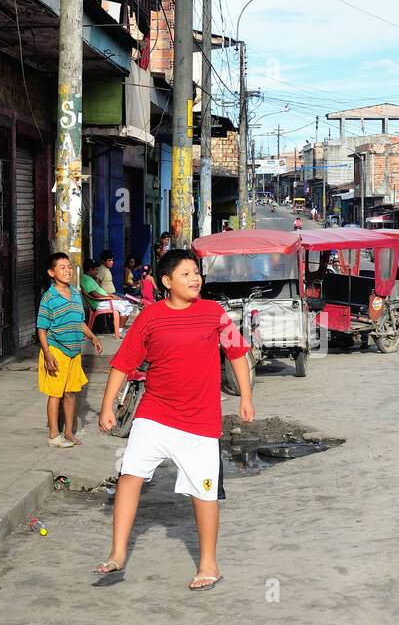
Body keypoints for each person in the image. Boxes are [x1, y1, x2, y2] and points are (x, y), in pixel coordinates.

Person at [95, 249, 255, 590]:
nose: (195, 278)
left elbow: (238, 354)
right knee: (130, 476)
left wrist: (245, 396)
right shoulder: (150, 318)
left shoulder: (214, 313)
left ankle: (208, 565)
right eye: (185, 274)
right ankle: (117, 553)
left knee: (205, 494)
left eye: (196, 272)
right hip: (154, 415)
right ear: (166, 282)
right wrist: (107, 406)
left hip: (200, 422)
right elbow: (123, 363)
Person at [38, 253, 103, 447]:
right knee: (55, 394)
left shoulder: (75, 294)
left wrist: (92, 336)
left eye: (69, 267)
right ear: (51, 272)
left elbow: (80, 321)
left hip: (75, 352)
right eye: (62, 267)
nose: (67, 271)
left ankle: (68, 432)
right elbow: (41, 328)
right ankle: (53, 436)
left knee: (71, 393)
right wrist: (47, 354)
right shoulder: (49, 297)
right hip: (56, 350)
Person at [81, 258, 134, 339]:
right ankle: (118, 332)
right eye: (95, 270)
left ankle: (119, 330)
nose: (97, 272)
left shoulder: (90, 279)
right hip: (99, 303)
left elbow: (99, 292)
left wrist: (111, 296)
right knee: (124, 307)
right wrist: (109, 297)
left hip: (104, 301)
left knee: (128, 305)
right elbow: (94, 294)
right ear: (90, 270)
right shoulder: (86, 279)